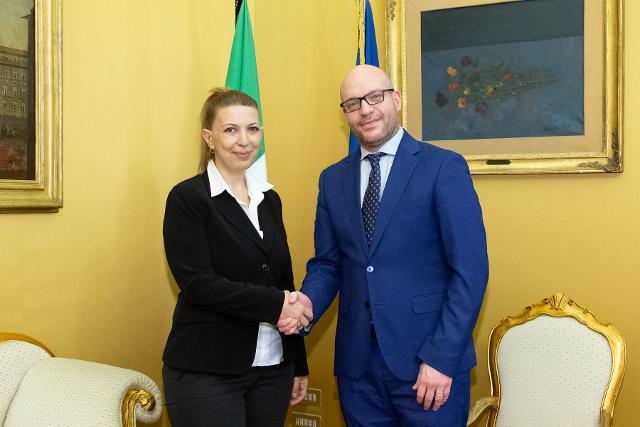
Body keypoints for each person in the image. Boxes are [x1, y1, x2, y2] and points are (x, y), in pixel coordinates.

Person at [279, 65, 489, 426]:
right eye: (352, 103)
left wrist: (441, 358)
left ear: (396, 99)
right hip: (358, 372)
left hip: (428, 366)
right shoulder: (332, 180)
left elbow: (470, 272)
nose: (365, 109)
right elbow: (328, 264)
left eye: (375, 97)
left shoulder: (443, 167)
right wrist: (308, 303)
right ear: (345, 114)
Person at [162, 88, 312, 427]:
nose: (244, 140)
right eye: (231, 129)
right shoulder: (188, 199)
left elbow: (283, 280)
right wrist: (276, 303)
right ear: (209, 138)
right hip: (208, 370)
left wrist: (298, 363)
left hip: (273, 369)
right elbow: (199, 284)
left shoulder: (269, 199)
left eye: (253, 129)